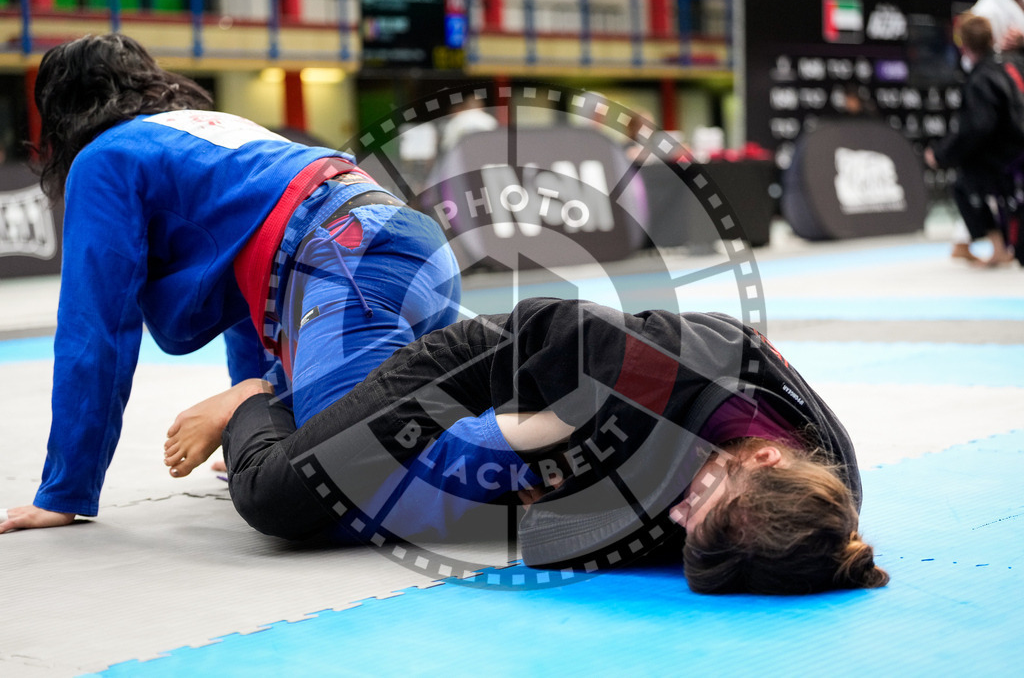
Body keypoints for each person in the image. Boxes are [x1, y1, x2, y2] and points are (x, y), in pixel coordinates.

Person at [0, 34, 461, 534]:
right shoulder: (222, 130)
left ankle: (546, 457)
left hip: (348, 261)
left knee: (341, 486)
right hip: (411, 246)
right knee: (399, 431)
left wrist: (65, 491)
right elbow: (253, 301)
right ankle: (532, 437)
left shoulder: (104, 158)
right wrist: (264, 428)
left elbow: (95, 330)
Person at [166, 297, 888, 596]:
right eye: (696, 503)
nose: (677, 520)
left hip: (578, 428)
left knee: (368, 511)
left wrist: (576, 496)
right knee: (280, 499)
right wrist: (549, 439)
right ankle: (250, 401)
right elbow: (549, 322)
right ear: (761, 457)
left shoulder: (823, 499)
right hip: (486, 368)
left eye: (688, 534)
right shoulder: (638, 374)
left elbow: (550, 541)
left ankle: (347, 374)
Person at [925, 15, 1024, 266]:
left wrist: (941, 154)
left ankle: (999, 247)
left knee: (965, 181)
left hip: (1010, 159)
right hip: (1013, 152)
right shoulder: (1014, 64)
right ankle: (999, 246)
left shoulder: (981, 79)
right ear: (992, 39)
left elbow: (976, 129)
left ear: (963, 46)